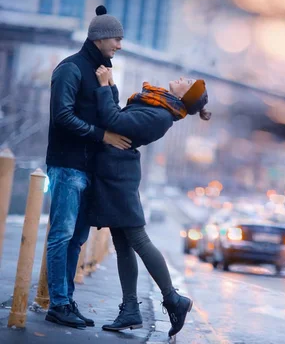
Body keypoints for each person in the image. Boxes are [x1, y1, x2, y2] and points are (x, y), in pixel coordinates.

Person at [89, 66, 210, 337]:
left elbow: (112, 119)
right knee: (123, 244)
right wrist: (109, 86)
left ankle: (173, 299)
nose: (182, 78)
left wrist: (103, 86)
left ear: (186, 95)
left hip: (119, 178)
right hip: (114, 173)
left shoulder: (161, 116)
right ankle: (130, 309)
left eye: (187, 81)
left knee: (138, 239)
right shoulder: (157, 105)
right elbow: (120, 115)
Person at [45, 5, 132, 329]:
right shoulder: (70, 69)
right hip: (67, 166)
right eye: (117, 39)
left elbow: (113, 111)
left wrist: (107, 86)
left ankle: (65, 300)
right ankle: (59, 303)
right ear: (100, 38)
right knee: (62, 235)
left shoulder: (101, 72)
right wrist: (102, 135)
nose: (120, 46)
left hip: (89, 168)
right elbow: (62, 116)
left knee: (76, 239)